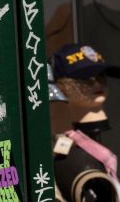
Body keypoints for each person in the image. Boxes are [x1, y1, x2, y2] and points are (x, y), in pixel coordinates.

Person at [50, 43, 120, 201]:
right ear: (62, 86)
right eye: (86, 78)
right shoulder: (71, 154)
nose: (97, 83)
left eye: (101, 75)